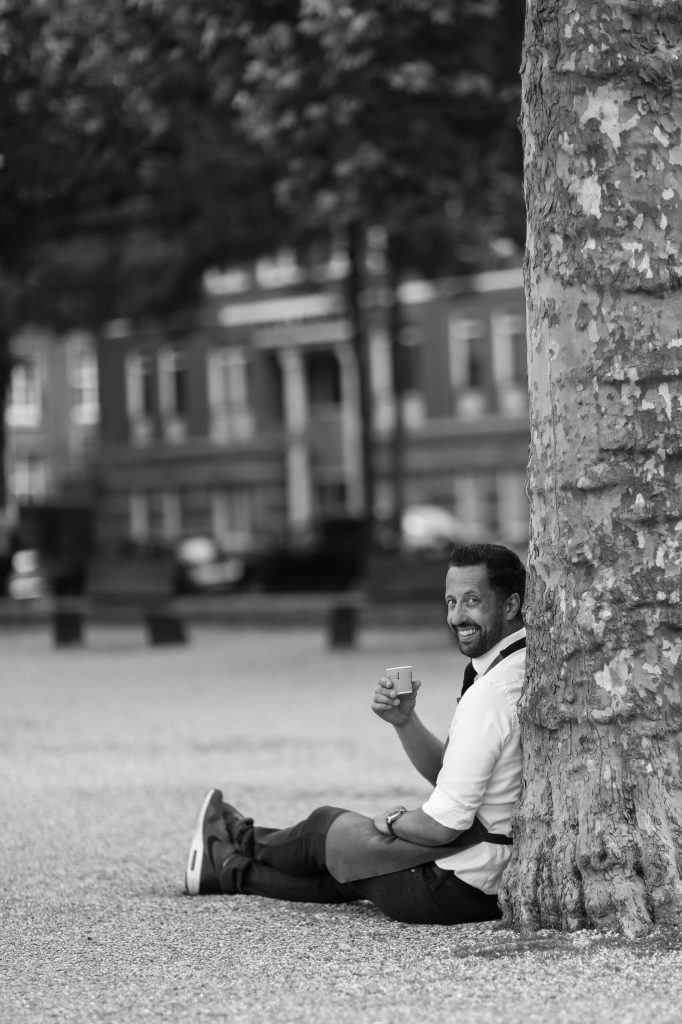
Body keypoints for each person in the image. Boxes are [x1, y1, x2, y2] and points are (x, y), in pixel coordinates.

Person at [184, 542, 527, 925]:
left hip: (450, 882)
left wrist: (392, 820)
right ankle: (224, 869)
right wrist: (405, 721)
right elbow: (453, 774)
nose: (456, 616)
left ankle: (235, 838)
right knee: (344, 870)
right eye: (450, 602)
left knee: (325, 828)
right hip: (486, 886)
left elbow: (442, 825)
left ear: (511, 606)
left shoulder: (490, 695)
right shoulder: (518, 668)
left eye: (472, 601)